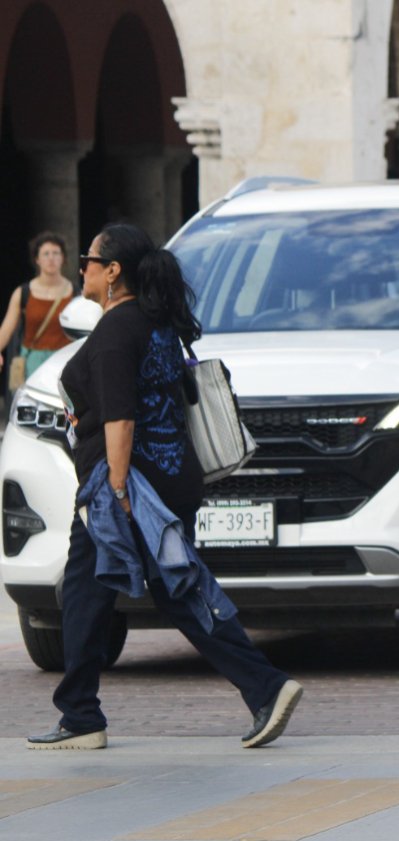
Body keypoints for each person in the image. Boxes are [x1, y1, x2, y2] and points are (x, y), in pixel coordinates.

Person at [26, 223, 302, 751]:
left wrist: (116, 485)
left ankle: (84, 715)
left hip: (125, 487)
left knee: (99, 590)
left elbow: (120, 419)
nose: (81, 265)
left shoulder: (114, 331)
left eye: (89, 257)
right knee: (160, 589)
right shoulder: (157, 324)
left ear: (112, 272)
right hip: (171, 478)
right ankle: (260, 687)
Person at [0, 231, 76, 390]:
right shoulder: (23, 292)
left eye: (56, 253)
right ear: (37, 259)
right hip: (31, 363)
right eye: (46, 253)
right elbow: (6, 329)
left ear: (63, 258)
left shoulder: (75, 293)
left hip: (64, 362)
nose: (51, 258)